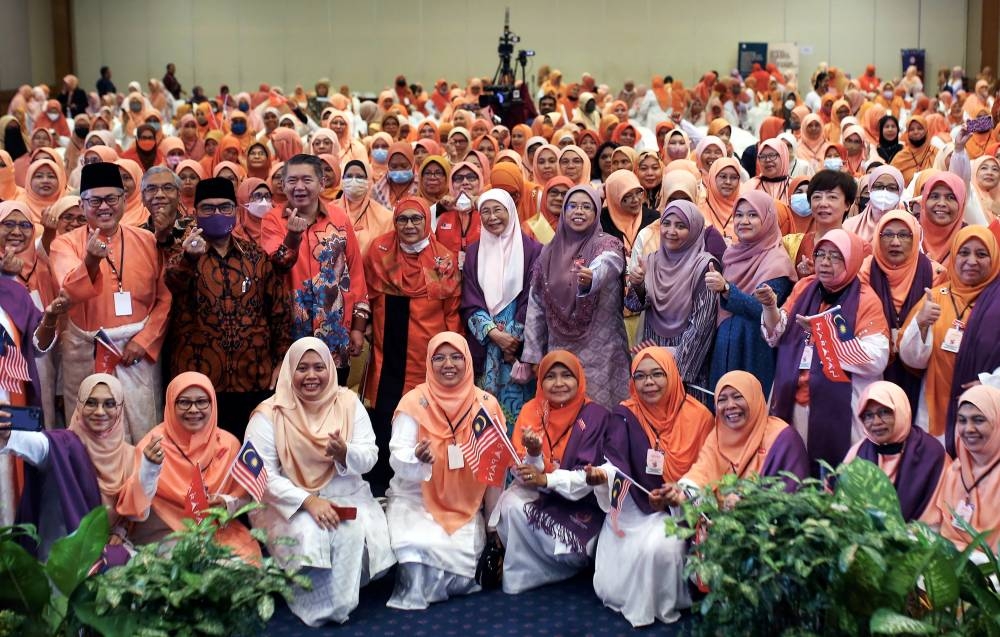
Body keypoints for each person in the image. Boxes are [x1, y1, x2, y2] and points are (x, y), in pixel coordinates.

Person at [246, 337, 394, 626]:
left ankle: (341, 594)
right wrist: (308, 501)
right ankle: (318, 602)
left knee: (358, 535)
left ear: (330, 368)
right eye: (302, 368)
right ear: (290, 370)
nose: (311, 376)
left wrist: (344, 453)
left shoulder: (348, 403)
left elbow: (371, 456)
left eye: (318, 367)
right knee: (313, 537)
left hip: (345, 492)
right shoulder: (269, 413)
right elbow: (261, 477)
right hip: (288, 502)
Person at [587, 347, 714, 628]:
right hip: (635, 501)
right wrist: (601, 476)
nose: (649, 383)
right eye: (641, 376)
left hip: (681, 506)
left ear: (672, 375)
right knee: (623, 550)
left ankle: (661, 604)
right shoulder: (624, 413)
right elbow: (616, 463)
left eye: (657, 374)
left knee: (660, 547)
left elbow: (707, 470)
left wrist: (675, 497)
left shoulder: (700, 417)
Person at [49, 162, 172, 442]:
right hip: (86, 353)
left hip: (137, 355)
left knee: (142, 434)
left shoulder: (147, 240)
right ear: (82, 205)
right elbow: (70, 291)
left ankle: (137, 486)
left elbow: (165, 297)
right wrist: (90, 259)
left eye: (111, 199)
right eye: (95, 200)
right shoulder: (64, 244)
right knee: (90, 438)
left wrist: (145, 340)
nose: (104, 207)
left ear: (123, 200)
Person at [385, 332, 505, 609]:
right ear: (428, 362)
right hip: (416, 498)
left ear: (467, 362)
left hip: (465, 503)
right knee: (415, 549)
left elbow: (494, 471)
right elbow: (397, 457)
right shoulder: (413, 403)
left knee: (459, 559)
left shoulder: (486, 405)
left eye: (456, 357)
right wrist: (417, 458)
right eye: (438, 358)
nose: (447, 364)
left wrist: (492, 528)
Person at [165, 178, 291, 435]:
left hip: (254, 376)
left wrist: (281, 361)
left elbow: (278, 312)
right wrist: (189, 259)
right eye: (208, 209)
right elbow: (172, 286)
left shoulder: (255, 257)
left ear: (235, 211)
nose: (217, 214)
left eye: (225, 207)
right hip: (199, 383)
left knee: (252, 455)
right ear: (195, 213)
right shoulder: (182, 255)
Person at [763, 229, 889, 472]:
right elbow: (776, 333)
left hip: (840, 404)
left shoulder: (866, 298)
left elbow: (877, 357)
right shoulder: (805, 287)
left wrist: (825, 334)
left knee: (833, 476)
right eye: (820, 254)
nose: (825, 262)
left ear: (851, 260)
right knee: (793, 471)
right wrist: (770, 308)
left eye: (835, 256)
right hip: (794, 398)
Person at [363, 196, 461, 491]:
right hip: (386, 352)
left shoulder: (443, 260)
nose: (409, 225)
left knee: (423, 417)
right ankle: (381, 485)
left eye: (416, 219)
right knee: (384, 416)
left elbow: (452, 312)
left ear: (427, 222)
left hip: (428, 354)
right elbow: (365, 296)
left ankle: (423, 487)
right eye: (402, 219)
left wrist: (451, 353)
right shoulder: (378, 252)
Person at [490, 350, 607, 594]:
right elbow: (522, 472)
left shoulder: (596, 416)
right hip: (541, 495)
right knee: (510, 503)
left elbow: (587, 478)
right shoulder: (532, 409)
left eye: (567, 375)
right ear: (540, 381)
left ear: (579, 379)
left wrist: (547, 478)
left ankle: (561, 568)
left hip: (579, 503)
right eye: (550, 377)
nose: (559, 383)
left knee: (574, 550)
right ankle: (530, 570)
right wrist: (534, 454)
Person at [118, 372, 261, 561]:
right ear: (170, 405)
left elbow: (244, 497)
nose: (193, 409)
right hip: (166, 531)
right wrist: (149, 467)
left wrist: (225, 503)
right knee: (191, 562)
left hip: (217, 529)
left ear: (213, 405)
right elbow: (135, 508)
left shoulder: (228, 444)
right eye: (184, 402)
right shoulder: (153, 445)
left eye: (202, 401)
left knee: (246, 559)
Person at [0, 374, 137, 564]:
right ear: (79, 405)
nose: (99, 411)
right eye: (91, 403)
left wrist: (120, 531)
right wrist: (9, 435)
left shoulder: (130, 455)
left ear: (120, 408)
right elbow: (40, 445)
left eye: (109, 404)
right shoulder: (63, 445)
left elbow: (130, 510)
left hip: (107, 554)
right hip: (61, 564)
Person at [262, 154, 368, 385]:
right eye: (292, 180)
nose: (299, 187)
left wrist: (358, 327)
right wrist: (292, 236)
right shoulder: (272, 220)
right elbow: (275, 267)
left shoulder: (340, 218)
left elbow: (356, 274)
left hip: (335, 334)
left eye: (307, 180)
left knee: (333, 406)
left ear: (322, 183)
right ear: (283, 184)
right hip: (290, 335)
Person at [522, 185, 629, 409]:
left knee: (601, 413)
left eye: (586, 207)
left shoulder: (607, 244)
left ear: (597, 212)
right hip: (560, 349)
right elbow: (537, 304)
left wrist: (592, 278)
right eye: (572, 206)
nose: (578, 211)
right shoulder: (549, 251)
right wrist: (532, 353)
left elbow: (609, 263)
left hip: (602, 351)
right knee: (563, 412)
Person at [899, 226, 1000, 447]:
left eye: (981, 254)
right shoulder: (935, 297)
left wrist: (990, 383)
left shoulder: (997, 301)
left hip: (988, 411)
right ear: (954, 255)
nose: (971, 261)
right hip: (933, 410)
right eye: (964, 253)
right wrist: (921, 323)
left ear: (994, 258)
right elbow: (912, 360)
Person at [460, 189, 542, 425]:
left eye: (498, 210)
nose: (492, 217)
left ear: (511, 212)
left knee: (519, 415)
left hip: (517, 352)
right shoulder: (474, 252)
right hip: (485, 347)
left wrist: (513, 340)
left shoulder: (533, 250)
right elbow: (470, 298)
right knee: (482, 418)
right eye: (485, 211)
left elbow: (533, 297)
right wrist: (495, 335)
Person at [706, 191, 796, 393]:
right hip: (724, 348)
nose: (744, 221)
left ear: (767, 219)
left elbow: (763, 308)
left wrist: (727, 289)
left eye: (753, 215)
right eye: (738, 215)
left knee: (751, 405)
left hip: (755, 348)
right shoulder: (731, 255)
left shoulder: (777, 261)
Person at [667, 370, 810, 496]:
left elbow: (792, 499)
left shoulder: (783, 439)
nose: (730, 405)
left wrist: (745, 506)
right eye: (722, 400)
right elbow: (701, 474)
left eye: (738, 397)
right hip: (717, 522)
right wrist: (680, 494)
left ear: (754, 398)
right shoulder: (718, 435)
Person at [626, 200, 719, 387]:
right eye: (666, 224)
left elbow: (701, 327)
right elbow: (635, 306)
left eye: (681, 226)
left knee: (685, 413)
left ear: (694, 230)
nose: (671, 231)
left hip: (687, 362)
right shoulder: (651, 260)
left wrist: (671, 361)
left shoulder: (705, 267)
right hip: (652, 352)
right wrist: (637, 285)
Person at [859, 211, 944, 412]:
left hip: (920, 368)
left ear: (915, 238)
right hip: (874, 369)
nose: (895, 242)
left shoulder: (934, 273)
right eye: (887, 235)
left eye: (904, 235)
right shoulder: (864, 270)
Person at [844, 381, 947, 521]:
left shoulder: (931, 453)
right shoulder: (858, 453)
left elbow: (941, 513)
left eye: (884, 412)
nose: (876, 422)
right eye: (868, 415)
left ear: (901, 411)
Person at [921, 385, 1000, 552]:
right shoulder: (955, 471)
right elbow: (944, 533)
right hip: (953, 565)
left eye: (978, 420)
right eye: (962, 420)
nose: (968, 429)